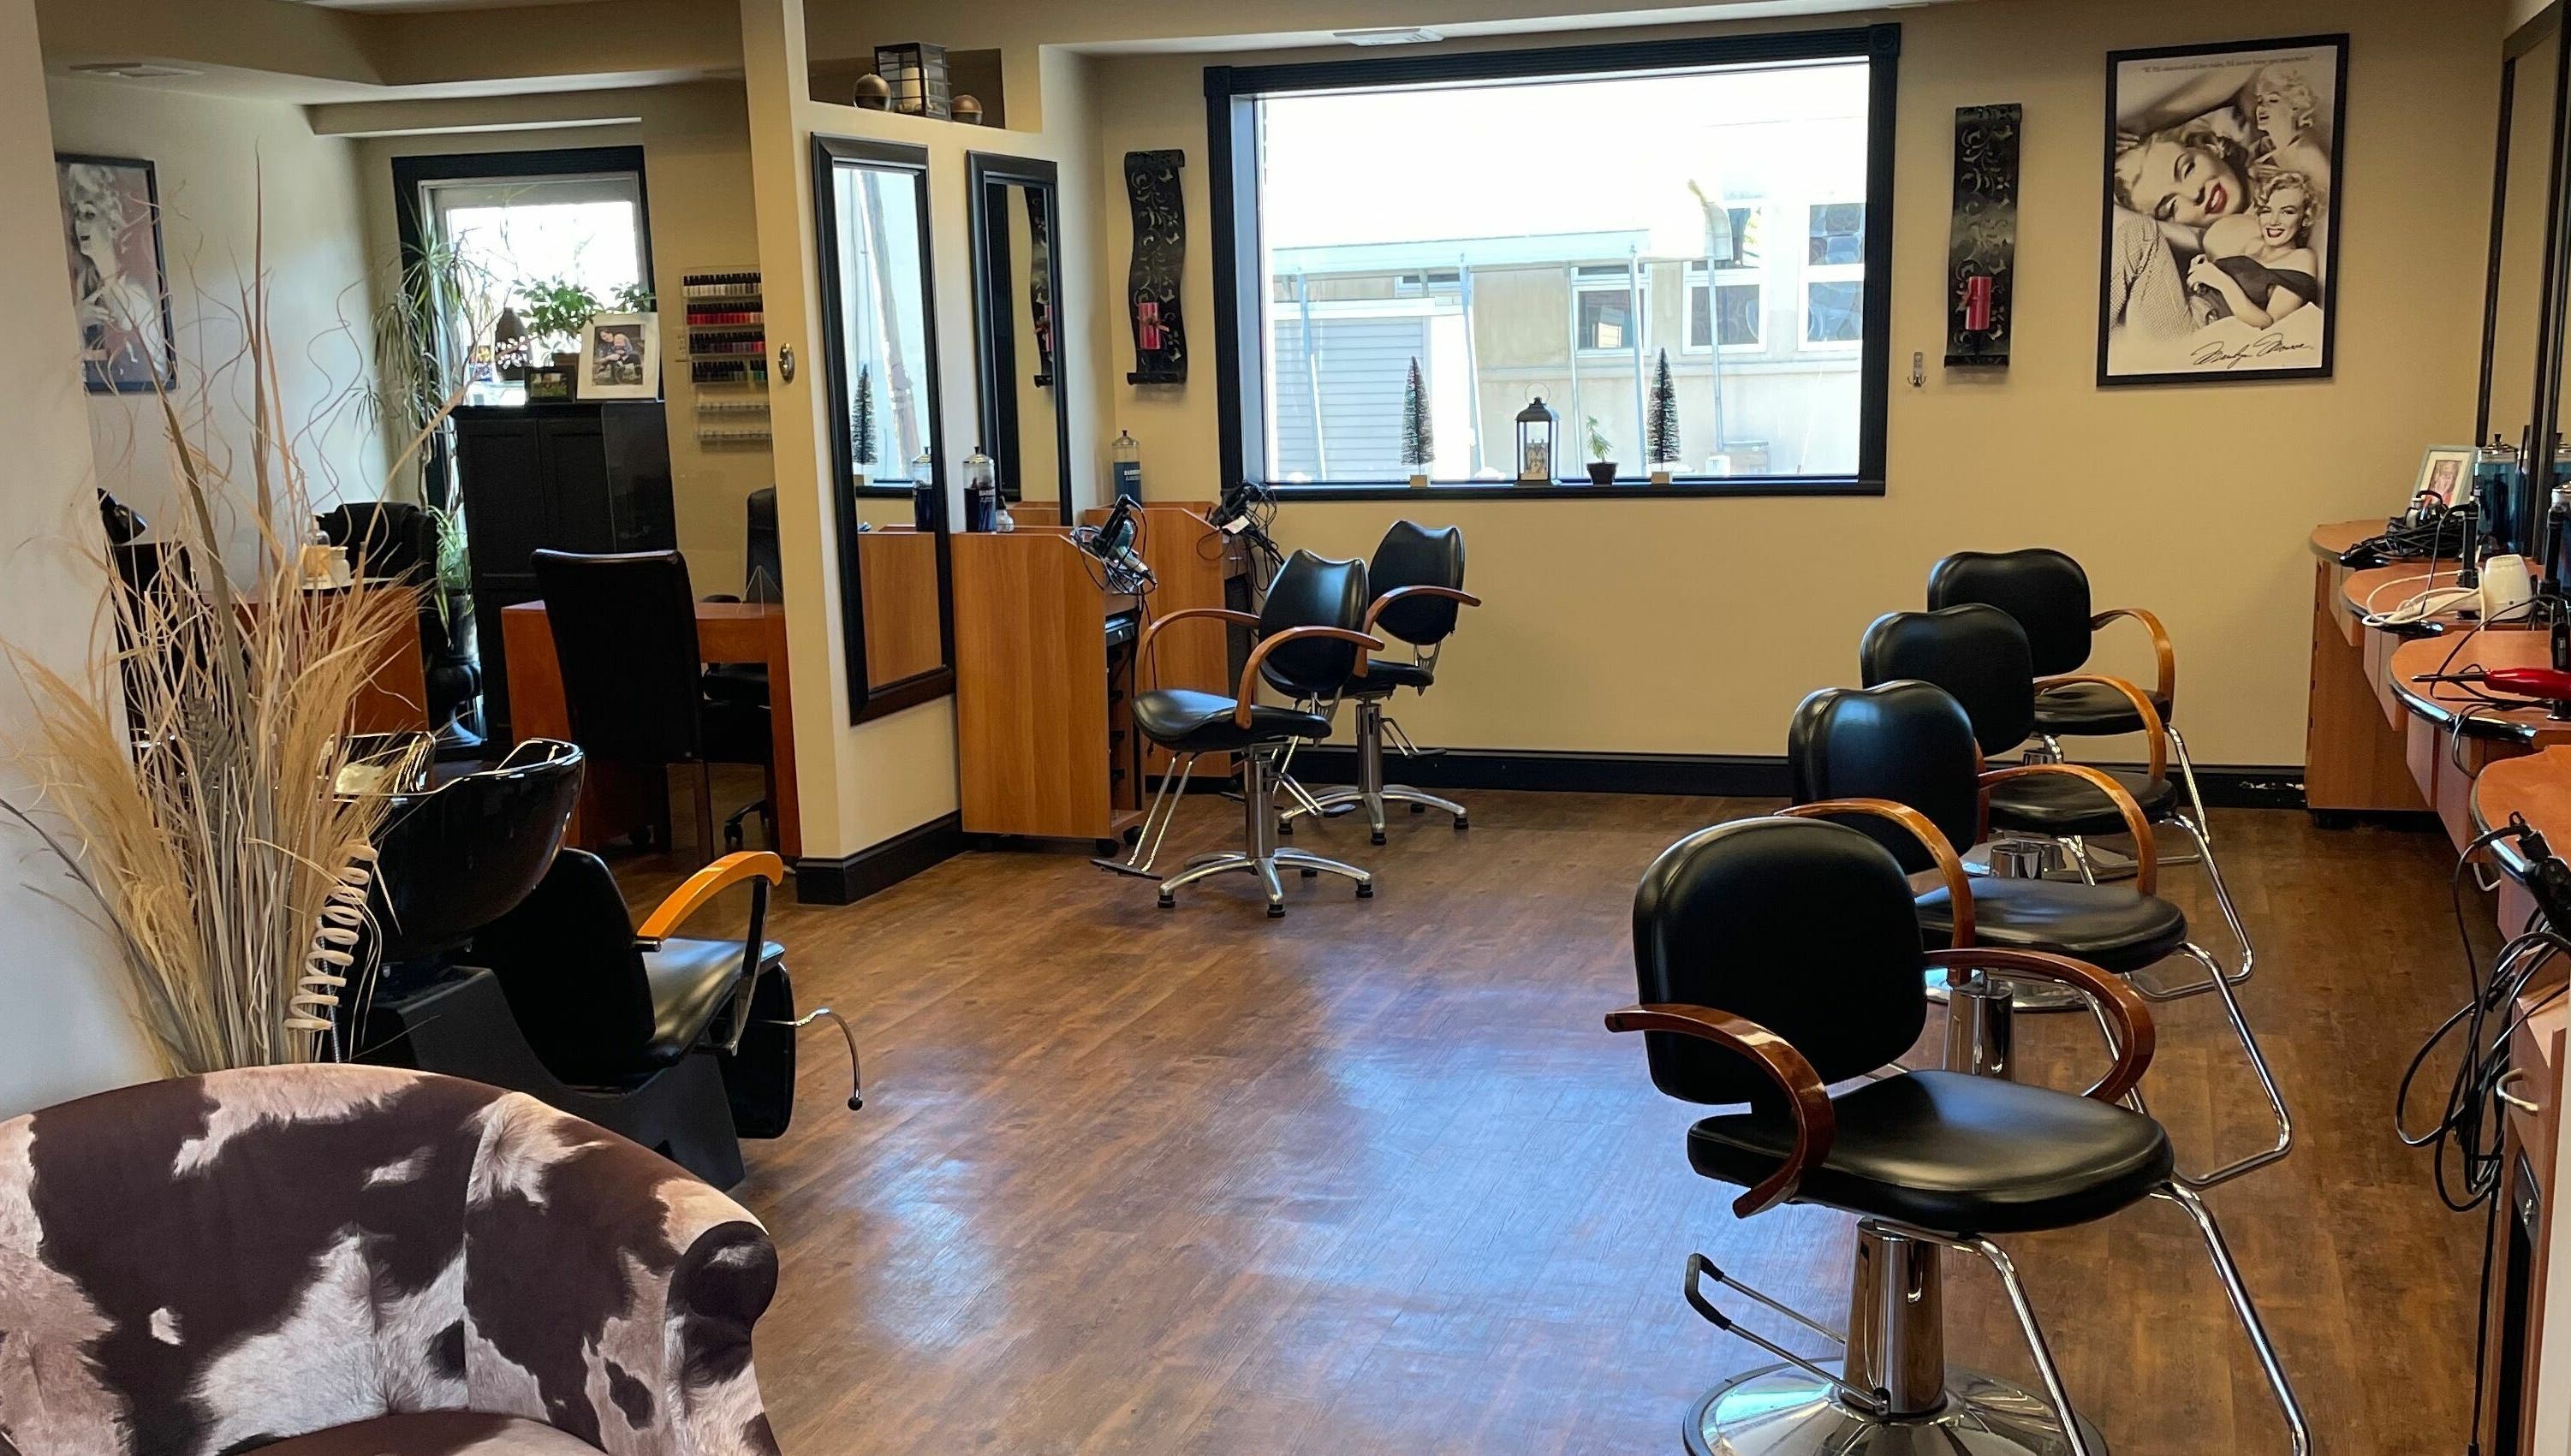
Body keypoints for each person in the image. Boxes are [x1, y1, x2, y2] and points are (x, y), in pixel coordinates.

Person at [61, 163, 166, 389]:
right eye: (77, 214)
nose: (80, 224)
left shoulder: (132, 292)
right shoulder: (86, 283)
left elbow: (154, 368)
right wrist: (76, 322)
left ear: (111, 222)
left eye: (89, 214)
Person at [2187, 171, 2324, 330]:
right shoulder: (2253, 244)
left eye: (2287, 212)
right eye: (2266, 211)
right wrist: (2202, 271)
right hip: (2191, 302)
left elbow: (2269, 324)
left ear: (2305, 218)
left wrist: (2220, 280)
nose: (2273, 221)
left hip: (2201, 321)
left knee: (2150, 231)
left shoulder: (2302, 258)